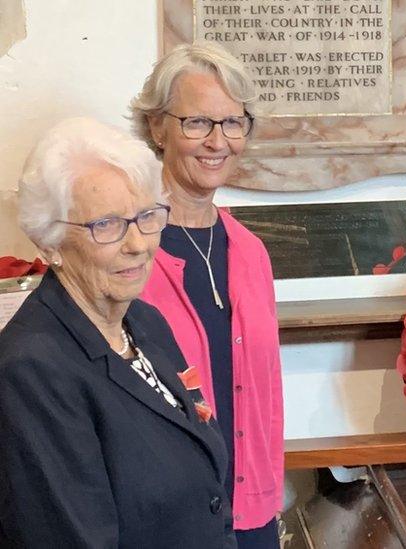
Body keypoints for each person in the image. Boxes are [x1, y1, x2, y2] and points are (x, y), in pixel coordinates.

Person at [0, 118, 234, 547]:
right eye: (106, 224)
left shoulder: (145, 323)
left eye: (146, 216)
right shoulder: (30, 371)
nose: (139, 244)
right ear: (49, 243)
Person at [130, 42, 283, 547]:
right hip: (166, 521)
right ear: (158, 127)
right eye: (197, 122)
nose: (217, 141)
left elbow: (264, 393)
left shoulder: (251, 251)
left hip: (252, 511)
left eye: (233, 123)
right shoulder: (129, 247)